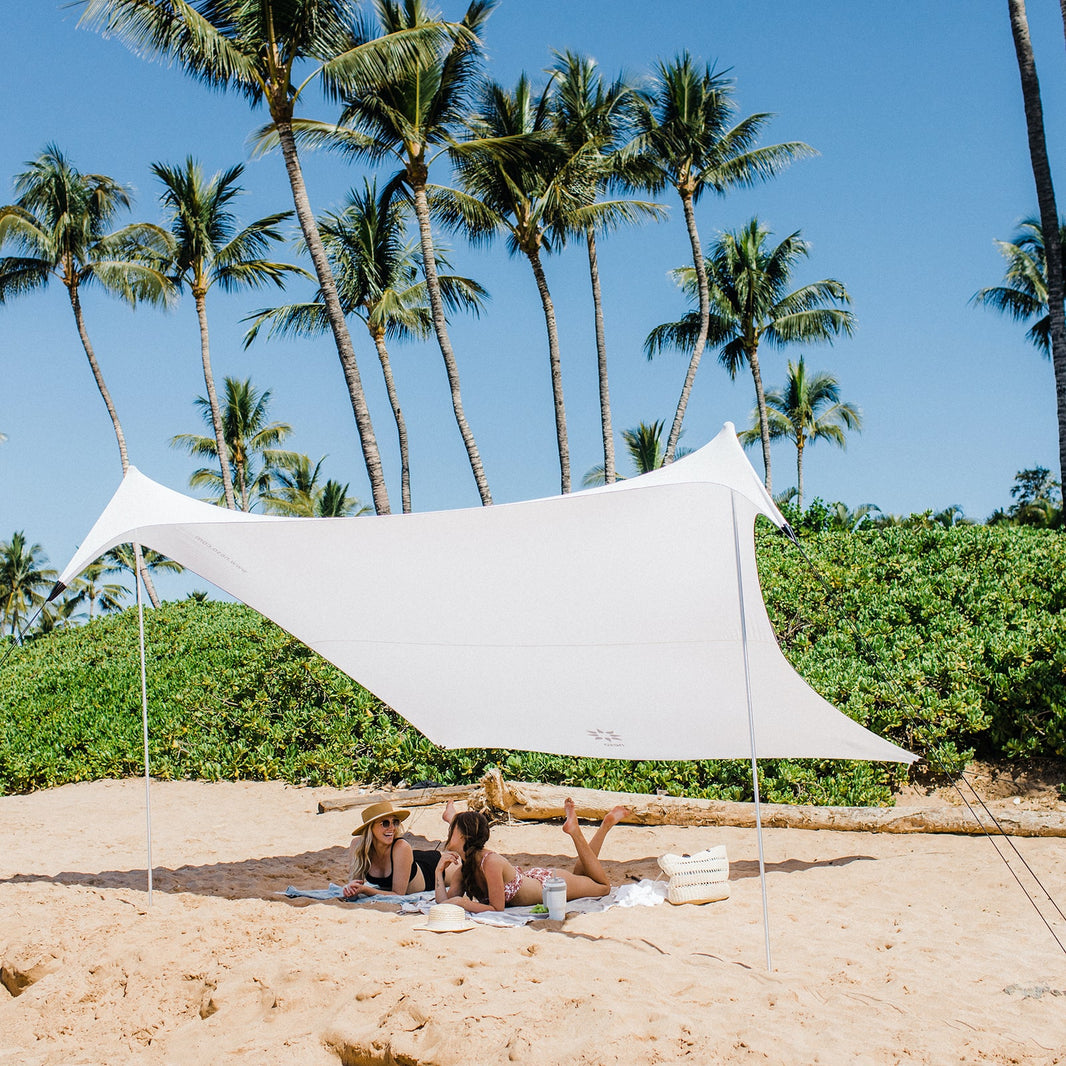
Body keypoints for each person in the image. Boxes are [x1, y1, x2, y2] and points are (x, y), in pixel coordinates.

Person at [433, 799, 629, 912]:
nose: (448, 831)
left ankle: (578, 831)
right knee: (584, 875)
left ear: (464, 836)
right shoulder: (465, 867)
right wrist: (439, 872)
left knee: (603, 887)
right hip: (536, 879)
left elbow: (496, 909)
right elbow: (444, 904)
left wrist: (464, 904)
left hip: (549, 884)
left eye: (452, 828)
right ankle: (605, 825)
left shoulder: (490, 862)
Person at [343, 798, 455, 898]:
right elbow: (354, 886)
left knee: (465, 854)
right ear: (370, 828)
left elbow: (398, 894)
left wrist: (366, 890)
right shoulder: (357, 845)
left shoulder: (401, 846)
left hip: (431, 868)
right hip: (408, 859)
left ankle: (452, 818)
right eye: (385, 823)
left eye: (395, 822)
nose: (392, 828)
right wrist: (352, 890)